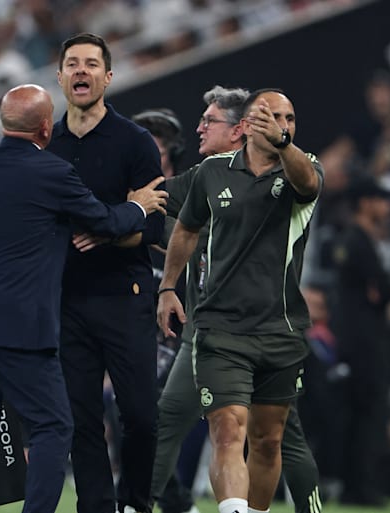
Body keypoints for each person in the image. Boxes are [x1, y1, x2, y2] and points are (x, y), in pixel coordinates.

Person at [0, 83, 168, 513]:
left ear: (4, 122)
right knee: (53, 427)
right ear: (47, 128)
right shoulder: (52, 172)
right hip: (20, 326)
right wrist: (137, 206)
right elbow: (103, 219)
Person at [144, 86, 322, 513]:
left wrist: (284, 143)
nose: (283, 124)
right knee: (226, 431)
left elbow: (309, 185)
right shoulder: (212, 172)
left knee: (270, 440)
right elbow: (184, 227)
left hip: (280, 329)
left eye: (290, 118)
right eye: (272, 115)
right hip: (220, 330)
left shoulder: (302, 167)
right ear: (246, 125)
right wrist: (167, 288)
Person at [46, 33, 164, 513]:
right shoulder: (44, 142)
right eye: (72, 64)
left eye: (91, 64)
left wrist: (107, 232)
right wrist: (118, 216)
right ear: (58, 77)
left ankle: (134, 502)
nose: (80, 71)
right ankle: (95, 506)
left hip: (125, 293)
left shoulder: (134, 141)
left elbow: (154, 225)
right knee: (80, 418)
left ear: (108, 77)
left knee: (141, 415)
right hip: (65, 299)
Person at [332, 176, 390, 507]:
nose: (388, 207)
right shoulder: (359, 242)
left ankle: (353, 487)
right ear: (366, 203)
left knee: (357, 416)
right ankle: (364, 489)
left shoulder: (354, 240)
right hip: (365, 343)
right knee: (370, 415)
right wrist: (382, 291)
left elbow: (379, 291)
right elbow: (383, 291)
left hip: (355, 341)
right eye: (382, 200)